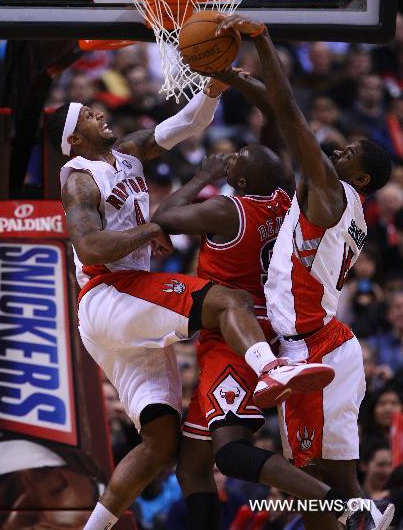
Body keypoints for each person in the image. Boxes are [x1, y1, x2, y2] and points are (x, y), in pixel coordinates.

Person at [46, 84, 332, 530]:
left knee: (163, 445)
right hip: (109, 291)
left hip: (126, 313)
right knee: (226, 300)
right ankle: (270, 368)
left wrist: (212, 87)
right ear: (74, 139)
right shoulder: (80, 177)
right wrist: (151, 229)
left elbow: (189, 123)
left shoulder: (128, 153)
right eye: (86, 115)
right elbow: (89, 246)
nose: (98, 113)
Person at [153, 71, 393, 530]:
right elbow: (280, 128)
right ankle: (355, 508)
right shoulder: (291, 203)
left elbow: (288, 120)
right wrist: (242, 86)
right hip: (291, 336)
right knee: (197, 464)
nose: (336, 149)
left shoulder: (239, 208)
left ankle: (348, 509)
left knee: (241, 457)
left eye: (236, 160)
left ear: (238, 179)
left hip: (265, 339)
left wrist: (203, 172)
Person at [214, 14, 394, 530]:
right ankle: (364, 517)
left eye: (348, 152)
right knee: (341, 486)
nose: (336, 148)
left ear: (358, 175)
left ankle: (359, 517)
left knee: (313, 485)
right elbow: (279, 109)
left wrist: (263, 42)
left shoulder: (330, 193)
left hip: (311, 351)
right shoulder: (349, 203)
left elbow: (288, 109)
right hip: (334, 342)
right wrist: (223, 74)